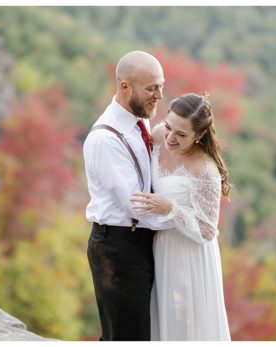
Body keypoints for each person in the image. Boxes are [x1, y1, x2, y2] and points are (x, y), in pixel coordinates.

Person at [83, 50, 169, 341]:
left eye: (161, 86)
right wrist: (181, 217)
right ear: (124, 87)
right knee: (127, 336)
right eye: (151, 88)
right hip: (117, 248)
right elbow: (137, 206)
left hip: (141, 242)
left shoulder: (140, 121)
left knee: (143, 332)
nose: (159, 95)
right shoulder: (105, 139)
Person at [131, 93, 232, 340]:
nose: (170, 138)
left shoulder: (205, 170)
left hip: (190, 255)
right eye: (169, 127)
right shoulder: (158, 135)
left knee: (188, 325)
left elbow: (208, 231)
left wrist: (171, 209)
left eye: (181, 135)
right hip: (160, 249)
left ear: (199, 135)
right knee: (162, 320)